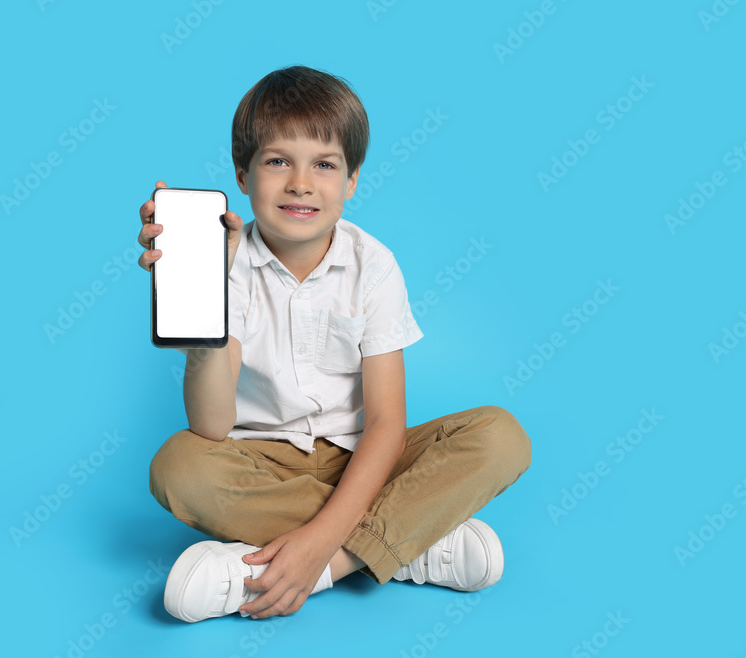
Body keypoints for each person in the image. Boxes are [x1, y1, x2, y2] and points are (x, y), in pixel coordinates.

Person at [138, 65, 532, 624]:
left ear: (351, 181)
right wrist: (207, 305)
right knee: (179, 467)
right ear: (242, 174)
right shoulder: (225, 266)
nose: (301, 183)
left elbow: (387, 424)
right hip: (261, 461)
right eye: (277, 161)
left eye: (324, 165)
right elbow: (210, 428)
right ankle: (410, 542)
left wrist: (323, 545)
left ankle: (301, 569)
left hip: (365, 456)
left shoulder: (373, 265)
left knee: (500, 436)